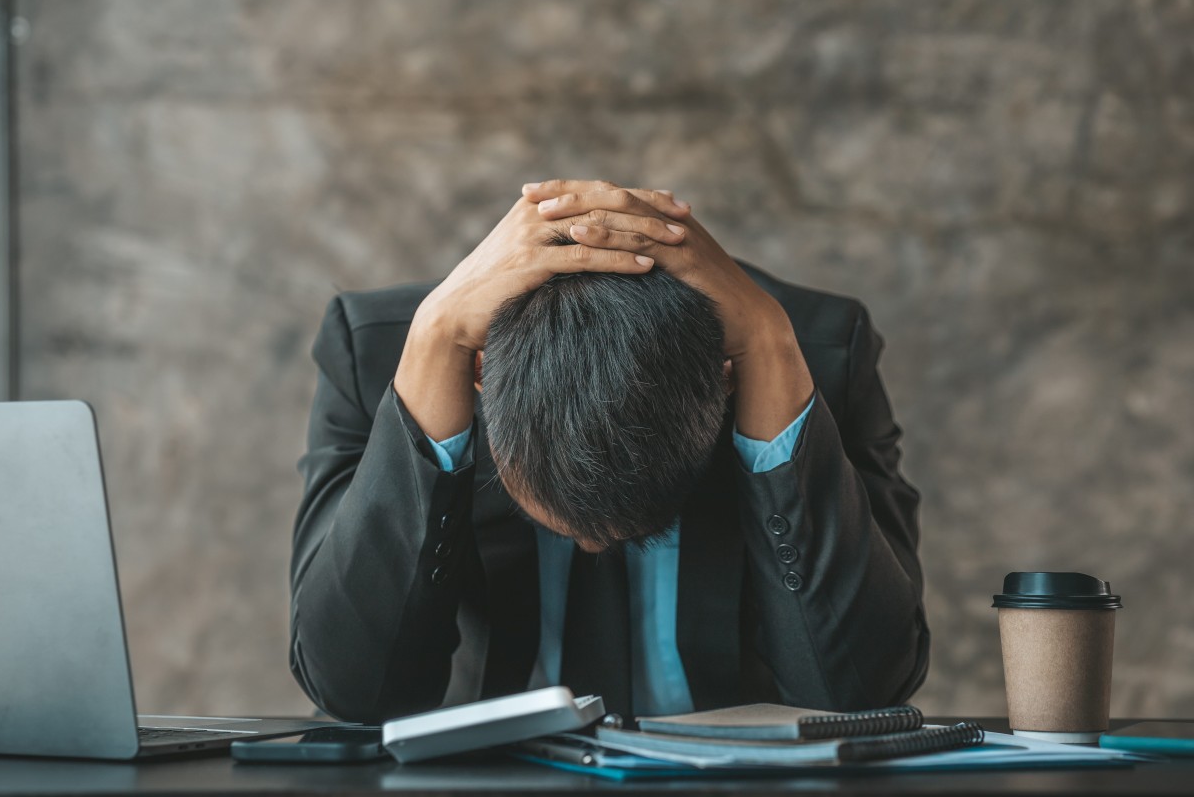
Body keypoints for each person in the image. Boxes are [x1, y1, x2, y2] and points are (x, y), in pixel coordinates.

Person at [289, 179, 929, 725]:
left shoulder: (812, 355)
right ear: (482, 373)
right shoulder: (381, 354)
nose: (593, 548)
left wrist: (767, 349)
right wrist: (434, 345)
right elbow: (354, 695)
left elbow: (860, 694)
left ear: (723, 381)